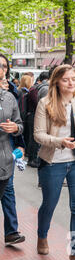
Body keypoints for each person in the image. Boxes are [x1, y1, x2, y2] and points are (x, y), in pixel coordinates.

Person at [33, 64, 75, 260]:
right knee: (49, 204)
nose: (71, 83)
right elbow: (38, 134)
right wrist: (59, 142)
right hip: (53, 162)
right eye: (66, 79)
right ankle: (42, 235)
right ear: (56, 82)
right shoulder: (45, 103)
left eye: (74, 78)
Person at [0, 56, 24, 200]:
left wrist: (15, 128)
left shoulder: (9, 98)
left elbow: (20, 125)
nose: (1, 69)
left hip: (3, 164)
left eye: (3, 66)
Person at [27, 71, 50, 168]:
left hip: (32, 115)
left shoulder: (36, 87)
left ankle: (32, 158)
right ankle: (33, 159)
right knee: (35, 139)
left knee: (34, 139)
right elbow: (43, 105)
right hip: (35, 116)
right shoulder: (45, 89)